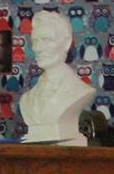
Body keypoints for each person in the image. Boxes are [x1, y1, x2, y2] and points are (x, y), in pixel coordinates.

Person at [19, 9, 93, 142]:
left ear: (66, 43)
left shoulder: (80, 91)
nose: (37, 48)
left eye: (46, 40)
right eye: (35, 41)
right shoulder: (27, 99)